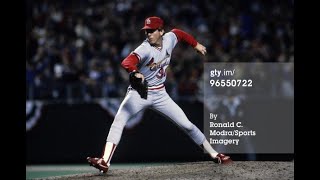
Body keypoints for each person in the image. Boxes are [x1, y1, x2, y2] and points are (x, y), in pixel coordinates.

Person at [87, 16, 232, 173]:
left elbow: (179, 33)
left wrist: (195, 44)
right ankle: (105, 161)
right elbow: (126, 62)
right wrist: (134, 72)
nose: (148, 34)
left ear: (161, 31)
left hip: (160, 93)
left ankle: (215, 154)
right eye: (146, 31)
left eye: (152, 31)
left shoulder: (169, 38)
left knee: (187, 125)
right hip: (140, 93)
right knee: (118, 121)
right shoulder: (144, 48)